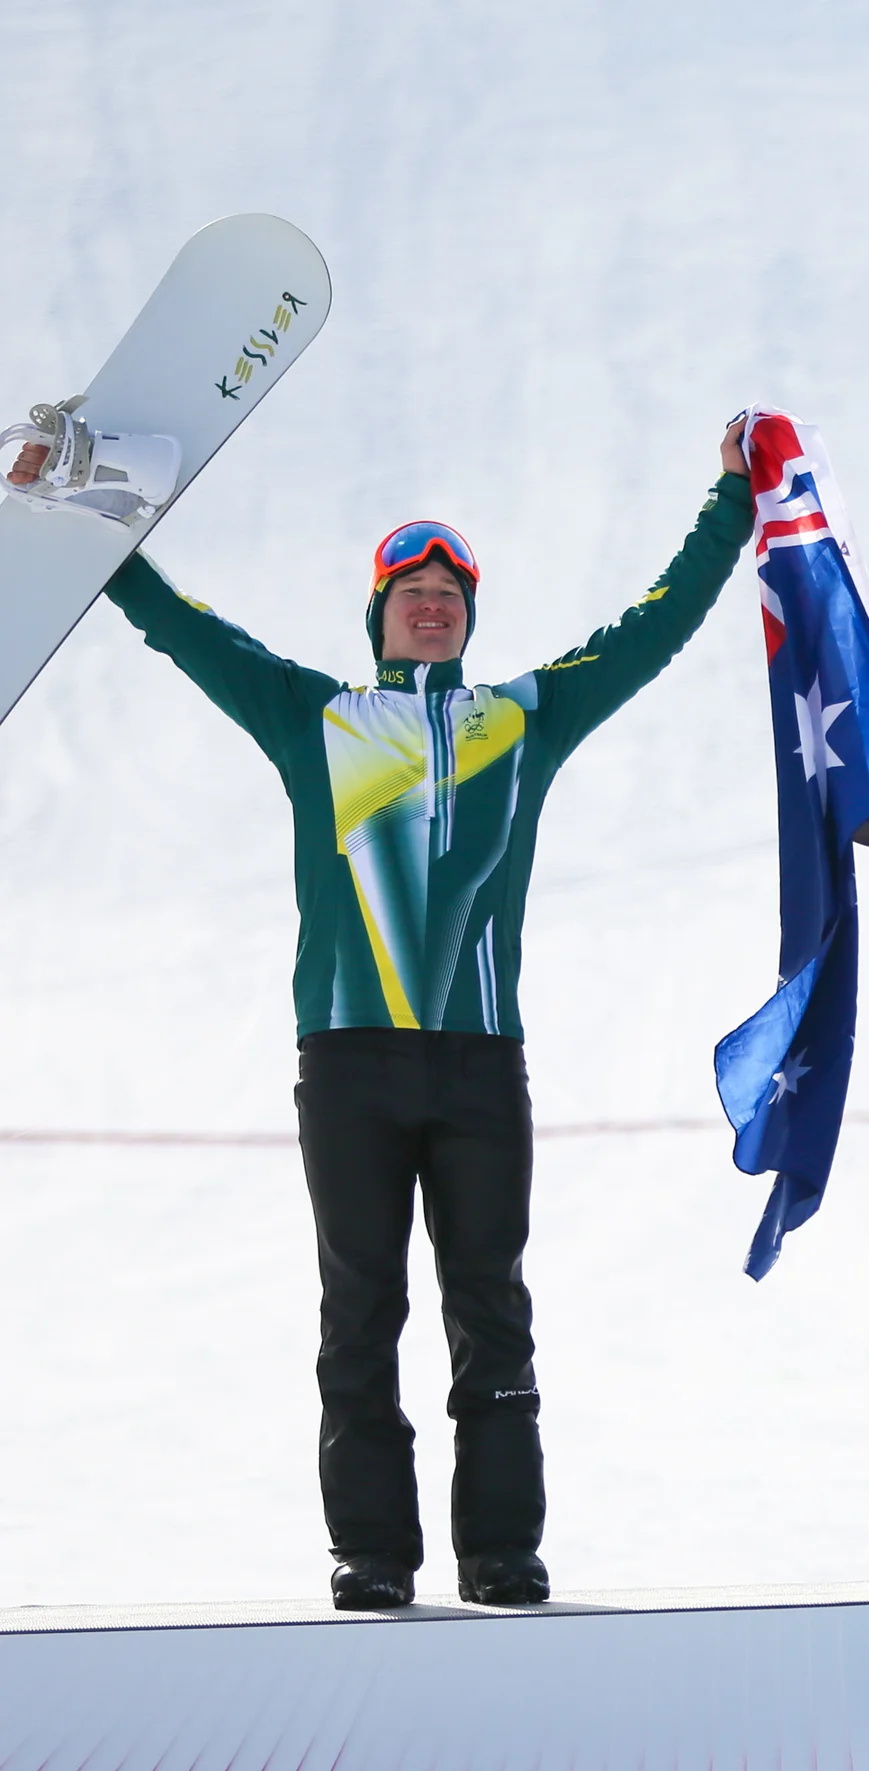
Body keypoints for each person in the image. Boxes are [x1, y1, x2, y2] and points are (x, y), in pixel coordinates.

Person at [12, 421, 756, 1607]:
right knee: (359, 1314)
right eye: (411, 591)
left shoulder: (521, 719)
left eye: (450, 594)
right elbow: (185, 632)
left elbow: (656, 624)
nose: (432, 608)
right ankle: (373, 1556)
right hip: (348, 1065)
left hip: (478, 1066)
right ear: (378, 613)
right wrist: (79, 521)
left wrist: (731, 500)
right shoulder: (317, 718)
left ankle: (502, 1554)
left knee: (491, 1312)